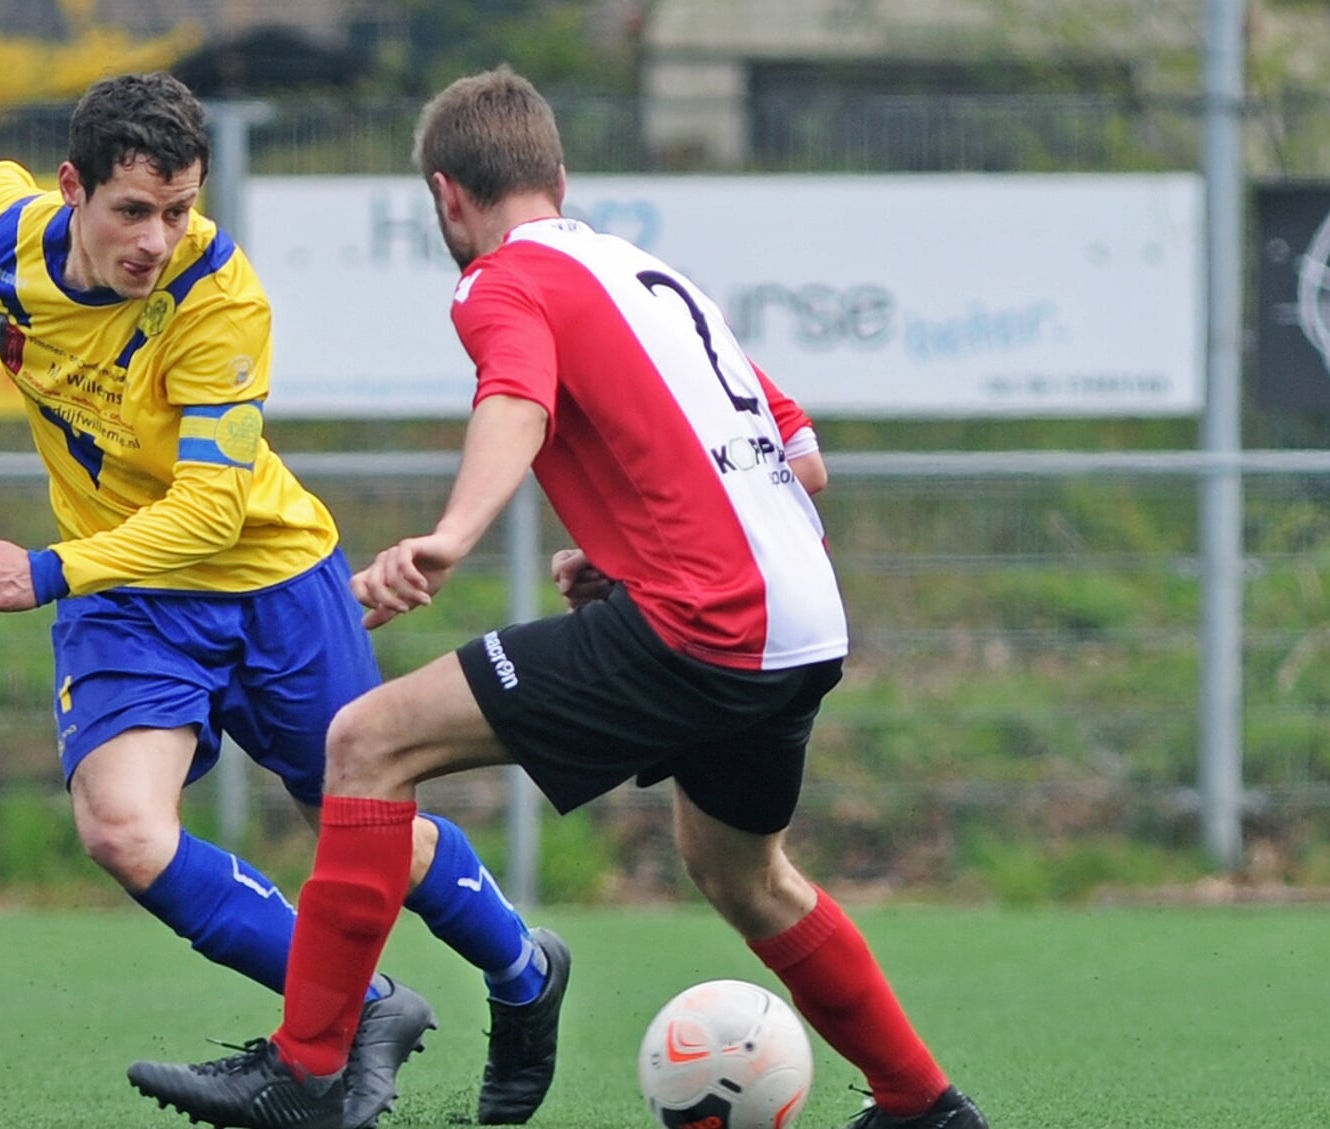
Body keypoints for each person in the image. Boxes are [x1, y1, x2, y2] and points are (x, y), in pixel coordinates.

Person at [127, 66, 991, 1129]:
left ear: (446, 196)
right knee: (740, 871)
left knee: (365, 743)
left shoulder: (500, 281)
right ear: (558, 175)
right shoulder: (641, 273)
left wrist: (449, 536)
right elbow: (795, 458)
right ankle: (921, 1101)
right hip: (798, 621)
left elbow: (516, 400)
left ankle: (307, 1071)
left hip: (705, 625)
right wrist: (633, 553)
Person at [0, 72, 568, 1129]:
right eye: (131, 212)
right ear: (71, 190)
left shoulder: (218, 297)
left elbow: (211, 512)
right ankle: (358, 1014)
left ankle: (526, 971)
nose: (155, 240)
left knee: (368, 836)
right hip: (127, 593)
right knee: (123, 828)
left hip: (265, 581)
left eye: (177, 211)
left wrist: (40, 572)